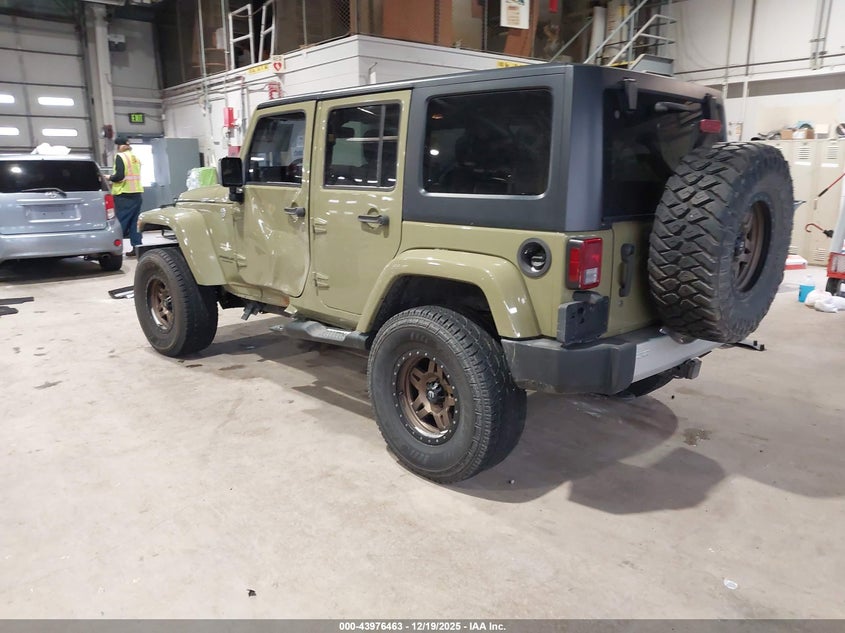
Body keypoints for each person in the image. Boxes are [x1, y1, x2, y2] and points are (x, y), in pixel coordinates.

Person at [109, 135, 143, 256]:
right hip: (137, 194)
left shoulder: (120, 156)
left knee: (120, 223)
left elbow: (119, 176)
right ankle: (137, 248)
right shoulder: (135, 157)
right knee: (135, 223)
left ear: (120, 146)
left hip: (124, 195)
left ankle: (113, 250)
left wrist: (108, 177)